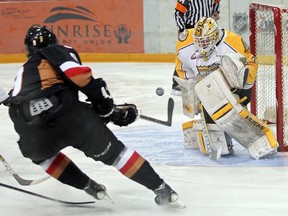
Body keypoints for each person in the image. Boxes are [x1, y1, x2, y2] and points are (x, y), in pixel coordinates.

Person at [7, 24, 180, 206]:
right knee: (116, 154)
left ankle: (89, 187)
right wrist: (106, 106)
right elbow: (77, 75)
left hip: (30, 132)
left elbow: (28, 105)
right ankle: (162, 190)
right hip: (69, 116)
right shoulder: (55, 51)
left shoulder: (23, 73)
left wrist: (106, 113)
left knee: (41, 156)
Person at [175, 17, 278, 160]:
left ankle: (257, 139)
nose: (202, 46)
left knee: (229, 114)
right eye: (199, 42)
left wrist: (241, 83)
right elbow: (183, 69)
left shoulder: (233, 41)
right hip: (208, 91)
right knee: (221, 148)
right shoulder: (185, 44)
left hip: (234, 88)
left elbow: (251, 64)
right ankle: (200, 129)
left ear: (215, 36)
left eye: (205, 42)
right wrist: (192, 95)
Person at [172, 0, 221, 95]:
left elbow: (216, 2)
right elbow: (178, 13)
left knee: (209, 54)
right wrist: (182, 30)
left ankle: (205, 81)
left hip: (207, 29)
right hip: (191, 29)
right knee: (186, 55)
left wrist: (216, 12)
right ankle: (177, 83)